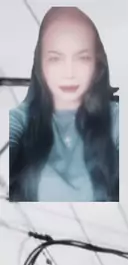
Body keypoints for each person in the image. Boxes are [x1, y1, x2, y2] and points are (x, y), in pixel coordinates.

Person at [9, 6, 119, 202]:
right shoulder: (20, 119)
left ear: (97, 65)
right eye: (55, 59)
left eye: (82, 58)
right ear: (40, 65)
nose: (69, 73)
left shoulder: (116, 117)